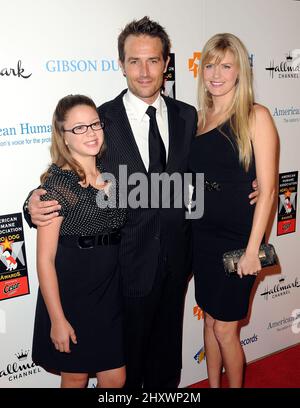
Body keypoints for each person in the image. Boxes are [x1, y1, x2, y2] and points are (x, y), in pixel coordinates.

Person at [24, 18, 258, 388]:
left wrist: (253, 186)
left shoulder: (188, 116)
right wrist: (32, 203)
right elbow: (70, 169)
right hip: (122, 266)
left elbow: (212, 167)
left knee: (167, 361)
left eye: (153, 60)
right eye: (134, 61)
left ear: (167, 63)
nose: (144, 71)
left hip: (179, 260)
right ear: (121, 64)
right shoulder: (102, 121)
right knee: (124, 366)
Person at [189, 33, 278, 388]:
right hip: (202, 234)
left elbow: (269, 190)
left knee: (226, 328)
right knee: (209, 321)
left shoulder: (255, 116)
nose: (216, 73)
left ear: (240, 70)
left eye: (226, 65)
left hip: (238, 239)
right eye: (210, 64)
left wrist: (254, 249)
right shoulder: (197, 119)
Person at [31, 94, 126, 388]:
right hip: (73, 294)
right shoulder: (57, 186)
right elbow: (45, 260)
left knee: (115, 377)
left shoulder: (114, 176)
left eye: (95, 125)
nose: (91, 133)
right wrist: (57, 319)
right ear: (64, 137)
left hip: (111, 292)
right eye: (79, 128)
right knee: (76, 376)